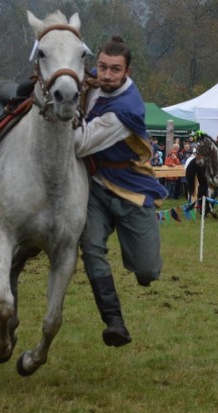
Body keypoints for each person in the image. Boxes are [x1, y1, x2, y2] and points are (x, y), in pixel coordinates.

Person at [79, 36, 168, 348]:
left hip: (129, 186)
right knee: (90, 247)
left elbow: (79, 143)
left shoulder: (125, 109)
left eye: (114, 70)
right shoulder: (93, 80)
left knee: (147, 270)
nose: (105, 75)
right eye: (102, 67)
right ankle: (114, 321)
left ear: (127, 71)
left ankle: (144, 269)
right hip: (94, 186)